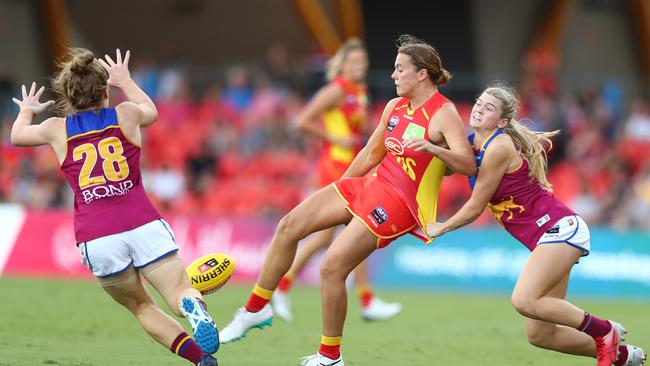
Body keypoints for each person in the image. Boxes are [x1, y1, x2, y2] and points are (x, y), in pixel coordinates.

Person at [220, 35, 477, 366]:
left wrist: (434, 149)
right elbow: (371, 152)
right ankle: (254, 310)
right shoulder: (394, 107)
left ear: (422, 73)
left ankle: (330, 357)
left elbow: (467, 164)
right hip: (370, 183)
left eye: (400, 69)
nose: (393, 75)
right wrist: (341, 189)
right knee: (288, 226)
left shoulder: (444, 113)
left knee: (332, 267)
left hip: (401, 203)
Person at [10, 48, 219, 366]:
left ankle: (200, 360)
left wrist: (27, 109)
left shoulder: (57, 129)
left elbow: (17, 136)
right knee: (178, 292)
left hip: (97, 236)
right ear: (106, 91)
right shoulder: (126, 114)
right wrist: (126, 80)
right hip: (143, 222)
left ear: (68, 95)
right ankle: (192, 306)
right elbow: (151, 109)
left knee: (142, 307)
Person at [425, 82, 647, 366]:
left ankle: (605, 330)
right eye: (479, 102)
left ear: (503, 122)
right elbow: (448, 167)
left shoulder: (499, 146)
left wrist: (441, 227)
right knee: (541, 335)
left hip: (560, 228)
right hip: (552, 235)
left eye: (489, 107)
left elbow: (475, 206)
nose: (479, 107)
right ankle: (623, 355)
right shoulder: (473, 143)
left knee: (523, 300)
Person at [272, 38, 401, 322]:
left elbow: (359, 127)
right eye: (353, 62)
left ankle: (282, 286)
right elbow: (302, 120)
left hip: (353, 164)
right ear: (341, 65)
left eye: (363, 62)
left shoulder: (359, 92)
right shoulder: (335, 91)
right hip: (335, 165)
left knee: (325, 239)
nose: (359, 66)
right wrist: (333, 138)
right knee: (359, 228)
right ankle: (366, 300)